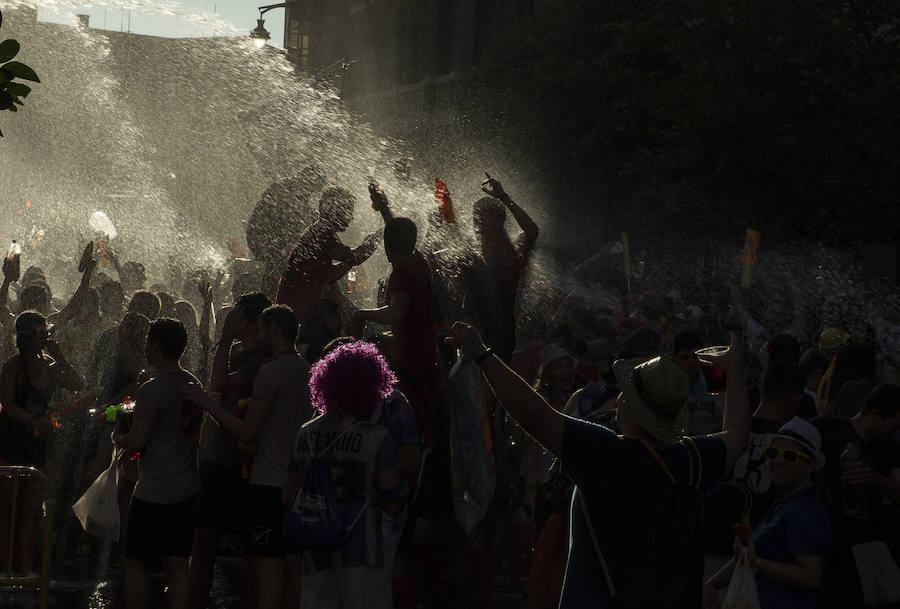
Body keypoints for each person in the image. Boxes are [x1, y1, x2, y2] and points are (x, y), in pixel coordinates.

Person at [444, 322, 751, 609]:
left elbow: (535, 416)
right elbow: (737, 434)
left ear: (629, 406)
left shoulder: (605, 452)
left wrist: (482, 354)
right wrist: (733, 371)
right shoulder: (692, 459)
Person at [181, 304, 312, 609]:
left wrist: (208, 404)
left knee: (263, 571)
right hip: (297, 484)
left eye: (263, 330)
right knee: (292, 571)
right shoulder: (307, 369)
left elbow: (248, 431)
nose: (258, 336)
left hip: (267, 485)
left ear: (275, 330)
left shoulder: (270, 371)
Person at [283, 341, 406, 609]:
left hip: (316, 547)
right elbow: (393, 502)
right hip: (363, 550)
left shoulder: (305, 433)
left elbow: (288, 494)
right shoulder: (376, 437)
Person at [114, 318, 203, 609]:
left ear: (155, 344)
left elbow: (138, 440)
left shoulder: (153, 389)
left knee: (136, 562)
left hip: (153, 491)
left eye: (147, 341)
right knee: (178, 564)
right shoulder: (192, 382)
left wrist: (120, 436)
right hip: (187, 488)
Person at [189, 292, 270, 609]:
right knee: (204, 539)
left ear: (251, 323)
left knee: (251, 548)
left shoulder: (259, 359)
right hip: (218, 458)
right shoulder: (235, 351)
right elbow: (216, 393)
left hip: (246, 463)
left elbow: (220, 385)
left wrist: (222, 338)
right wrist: (204, 447)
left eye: (237, 314)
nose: (231, 319)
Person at [704, 417, 831, 609]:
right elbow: (750, 557)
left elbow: (810, 576)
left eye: (789, 456)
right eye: (772, 453)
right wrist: (711, 584)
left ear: (810, 464)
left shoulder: (806, 509)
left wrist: (757, 563)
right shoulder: (785, 500)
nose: (777, 461)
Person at [0, 311, 80, 579]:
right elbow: (8, 404)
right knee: (8, 508)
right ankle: (5, 568)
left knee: (32, 510)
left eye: (46, 332)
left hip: (39, 442)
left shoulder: (49, 363)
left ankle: (26, 569)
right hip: (13, 440)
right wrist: (31, 420)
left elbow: (77, 385)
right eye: (40, 333)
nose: (46, 336)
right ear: (26, 337)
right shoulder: (13, 366)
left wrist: (60, 356)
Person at [351, 212, 439, 448]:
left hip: (411, 355)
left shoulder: (400, 272)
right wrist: (383, 209)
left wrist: (361, 314)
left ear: (387, 245)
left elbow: (396, 313)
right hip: (428, 350)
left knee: (409, 416)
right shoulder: (420, 262)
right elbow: (400, 232)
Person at [814, 384, 900, 609]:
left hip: (868, 543)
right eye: (894, 421)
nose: (897, 428)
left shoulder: (889, 448)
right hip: (830, 540)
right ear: (876, 415)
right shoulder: (828, 429)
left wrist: (875, 478)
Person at [275, 187, 380, 330]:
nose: (351, 217)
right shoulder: (322, 233)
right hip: (298, 313)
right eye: (348, 211)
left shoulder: (318, 231)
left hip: (291, 310)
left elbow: (329, 275)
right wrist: (378, 237)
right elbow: (354, 257)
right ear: (331, 208)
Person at [732, 361, 806, 527]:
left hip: (724, 537)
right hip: (766, 536)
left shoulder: (729, 432)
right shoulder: (792, 444)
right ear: (795, 399)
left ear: (760, 389)